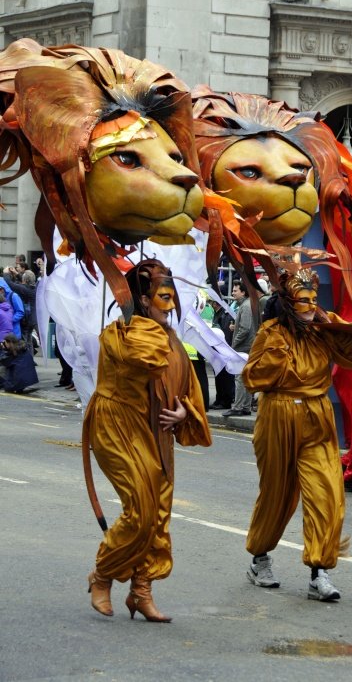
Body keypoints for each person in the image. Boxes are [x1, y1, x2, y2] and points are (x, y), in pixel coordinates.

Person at [242, 269, 352, 601]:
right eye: (303, 301)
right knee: (277, 494)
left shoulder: (324, 326)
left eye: (313, 300)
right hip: (278, 415)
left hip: (317, 415)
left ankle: (318, 572)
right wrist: (277, 355)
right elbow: (252, 377)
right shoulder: (271, 333)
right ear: (288, 304)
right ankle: (259, 558)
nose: (311, 306)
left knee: (327, 491)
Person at [83, 259, 211, 621]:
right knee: (140, 508)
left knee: (158, 515)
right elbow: (145, 359)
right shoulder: (119, 334)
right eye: (162, 297)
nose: (169, 306)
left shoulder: (170, 338)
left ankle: (141, 591)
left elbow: (187, 386)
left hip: (158, 433)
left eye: (172, 296)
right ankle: (103, 574)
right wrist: (141, 321)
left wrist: (186, 412)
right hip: (118, 426)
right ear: (142, 300)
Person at [222, 280, 257, 417]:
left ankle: (238, 407)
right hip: (248, 346)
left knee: (240, 377)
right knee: (245, 377)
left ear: (243, 292)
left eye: (235, 290)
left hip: (244, 347)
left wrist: (234, 344)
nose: (232, 293)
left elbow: (245, 328)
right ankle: (245, 407)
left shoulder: (246, 306)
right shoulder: (248, 305)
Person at [210, 300, 235, 409]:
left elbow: (225, 334)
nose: (211, 304)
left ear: (216, 303)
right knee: (218, 377)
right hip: (218, 351)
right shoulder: (218, 313)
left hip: (222, 351)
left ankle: (224, 401)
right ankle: (219, 399)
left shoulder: (225, 315)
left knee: (224, 377)